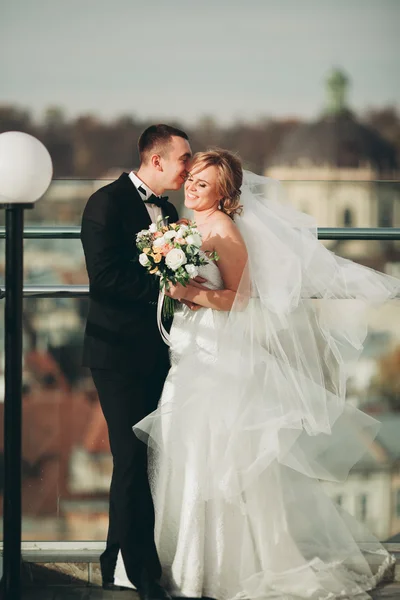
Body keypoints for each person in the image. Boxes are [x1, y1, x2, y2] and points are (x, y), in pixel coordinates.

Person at [115, 149, 400, 599]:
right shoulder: (187, 227)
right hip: (190, 348)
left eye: (203, 184)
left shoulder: (224, 230)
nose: (190, 187)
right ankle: (188, 566)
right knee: (188, 452)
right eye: (191, 178)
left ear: (225, 193)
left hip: (217, 354)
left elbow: (240, 298)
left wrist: (191, 293)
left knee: (216, 458)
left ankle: (220, 572)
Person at [80, 124, 192, 599]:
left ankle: (114, 563)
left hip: (156, 353)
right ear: (157, 159)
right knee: (131, 460)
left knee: (142, 461)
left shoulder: (166, 209)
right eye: (185, 159)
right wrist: (171, 291)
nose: (190, 168)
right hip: (116, 354)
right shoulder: (105, 202)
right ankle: (144, 576)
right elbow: (105, 278)